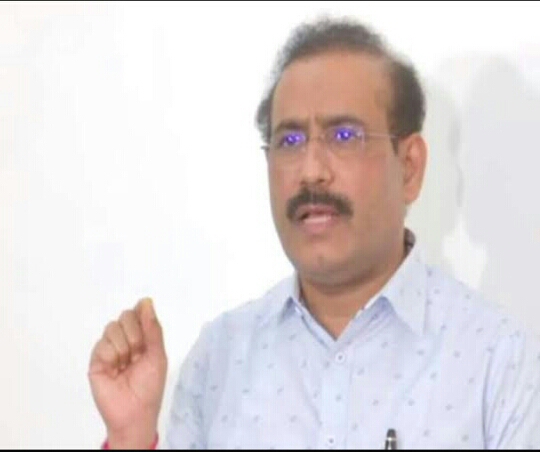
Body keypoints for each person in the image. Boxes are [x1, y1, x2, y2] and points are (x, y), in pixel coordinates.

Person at [88, 16, 540, 449]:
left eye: (344, 136)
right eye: (289, 141)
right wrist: (131, 438)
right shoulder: (218, 359)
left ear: (409, 167)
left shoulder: (496, 360)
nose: (311, 171)